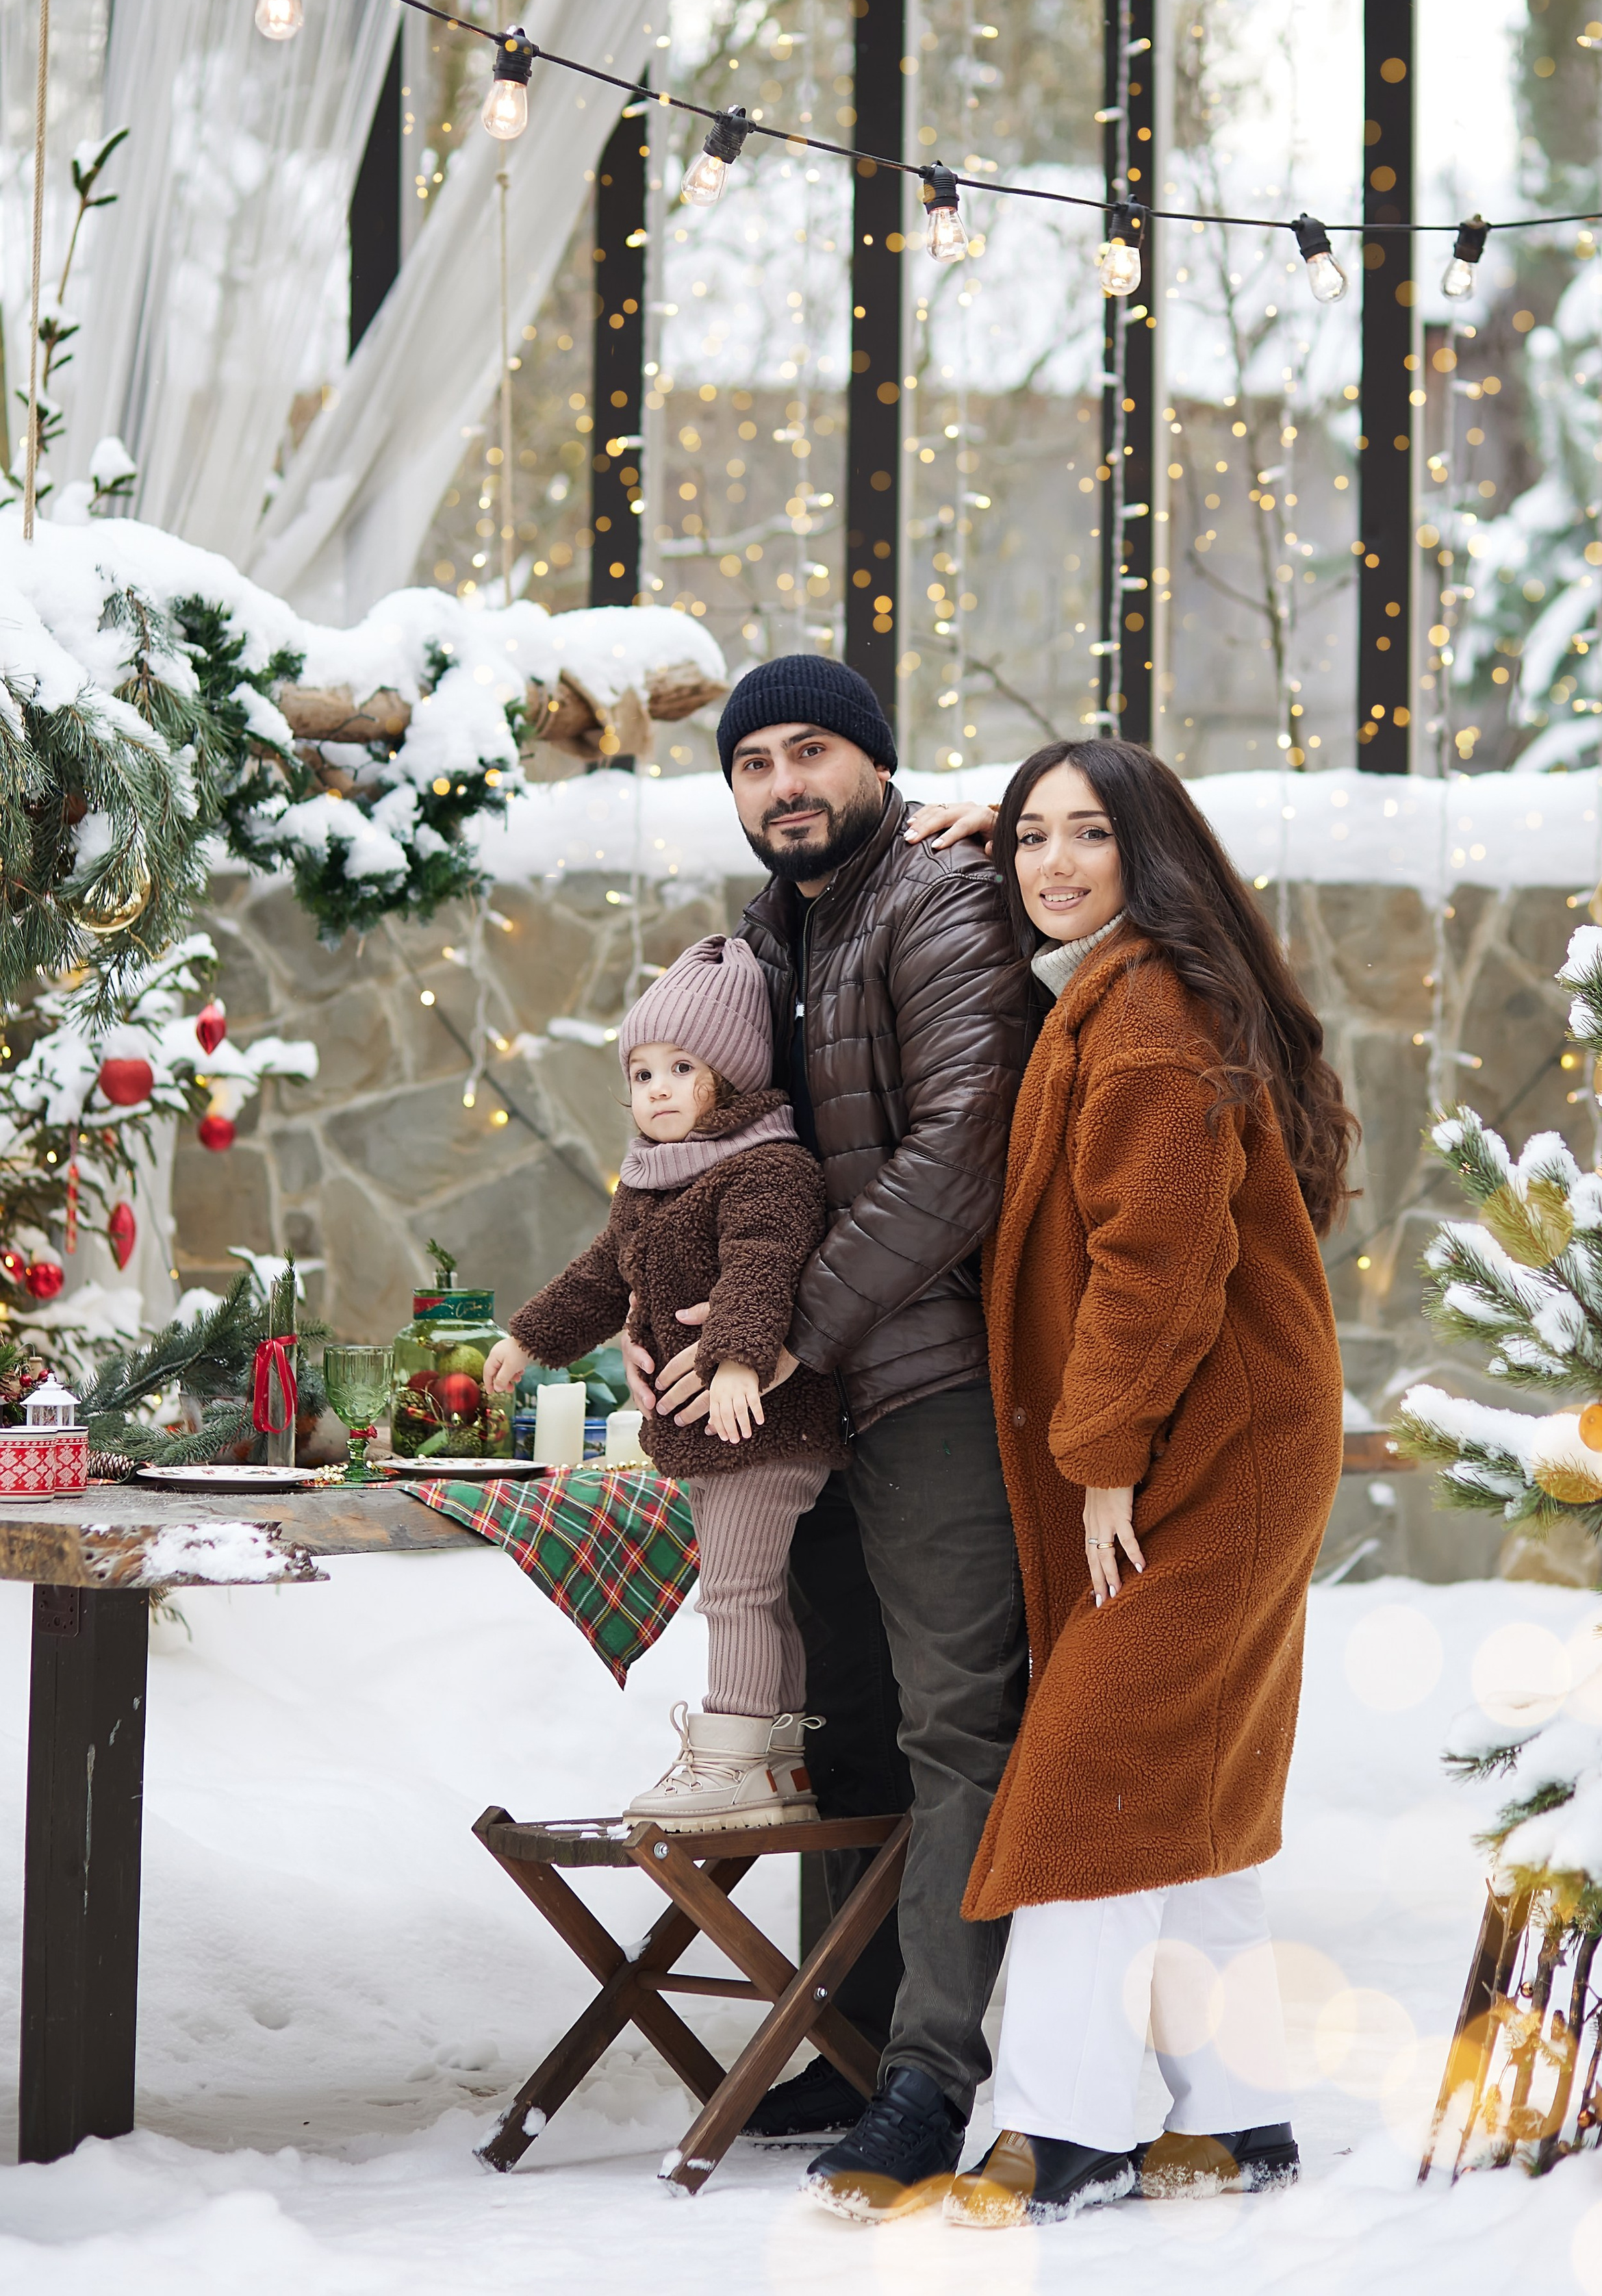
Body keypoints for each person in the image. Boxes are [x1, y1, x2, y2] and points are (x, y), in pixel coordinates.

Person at [924, 740, 1354, 2230]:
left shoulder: (1148, 1017)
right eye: (1027, 838)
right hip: (1235, 1434)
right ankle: (1231, 2118)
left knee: (1090, 1778)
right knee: (1192, 1780)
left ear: (1148, 856)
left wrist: (1102, 1455)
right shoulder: (1129, 986)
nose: (1048, 865)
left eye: (1087, 838)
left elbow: (1155, 1261)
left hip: (1202, 1454)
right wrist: (997, 812)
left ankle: (1057, 2131)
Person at [626, 653, 1031, 2219]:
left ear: (873, 764)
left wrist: (793, 1327)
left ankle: (932, 2067)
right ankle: (848, 2041)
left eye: (812, 751)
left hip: (922, 1378)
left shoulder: (936, 899)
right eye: (752, 763)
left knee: (948, 1727)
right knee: (835, 1729)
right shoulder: (766, 943)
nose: (783, 781)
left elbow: (957, 1151)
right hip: (796, 1408)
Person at [486, 935, 848, 1829]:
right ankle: (778, 1765)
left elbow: (765, 1265)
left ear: (728, 1077)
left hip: (762, 1424)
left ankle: (730, 1761)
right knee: (764, 1593)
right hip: (713, 1433)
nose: (654, 1088)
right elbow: (604, 1274)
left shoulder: (769, 1167)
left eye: (681, 1067)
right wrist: (531, 1339)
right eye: (641, 1071)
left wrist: (739, 1358)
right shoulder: (648, 1183)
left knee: (737, 1593)